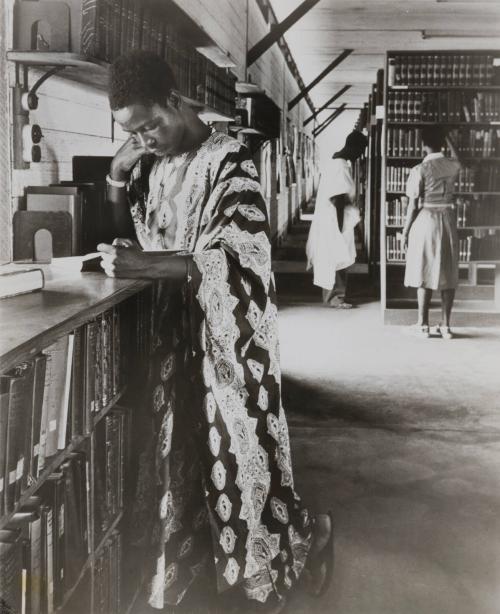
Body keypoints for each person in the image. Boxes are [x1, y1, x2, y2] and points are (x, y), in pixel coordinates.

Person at [97, 51, 333, 612]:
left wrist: (150, 265)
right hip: (174, 337)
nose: (146, 139)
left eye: (151, 123)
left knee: (241, 451)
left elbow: (243, 254)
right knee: (183, 452)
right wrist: (114, 177)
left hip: (229, 342)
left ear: (176, 100)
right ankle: (202, 568)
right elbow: (142, 238)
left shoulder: (232, 161)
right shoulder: (152, 167)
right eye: (133, 132)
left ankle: (309, 534)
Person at [402, 126, 463, 339]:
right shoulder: (453, 165)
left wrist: (405, 231)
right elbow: (458, 158)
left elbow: (412, 206)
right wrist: (448, 138)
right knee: (448, 270)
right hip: (448, 220)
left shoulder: (420, 169)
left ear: (422, 144)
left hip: (426, 219)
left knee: (423, 269)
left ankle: (423, 324)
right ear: (442, 143)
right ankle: (446, 326)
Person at [306, 130, 368, 308]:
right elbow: (337, 198)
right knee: (336, 256)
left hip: (334, 217)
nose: (360, 154)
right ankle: (336, 298)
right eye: (361, 149)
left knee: (335, 256)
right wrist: (341, 228)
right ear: (353, 147)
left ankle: (336, 296)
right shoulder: (340, 166)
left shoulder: (337, 162)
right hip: (335, 219)